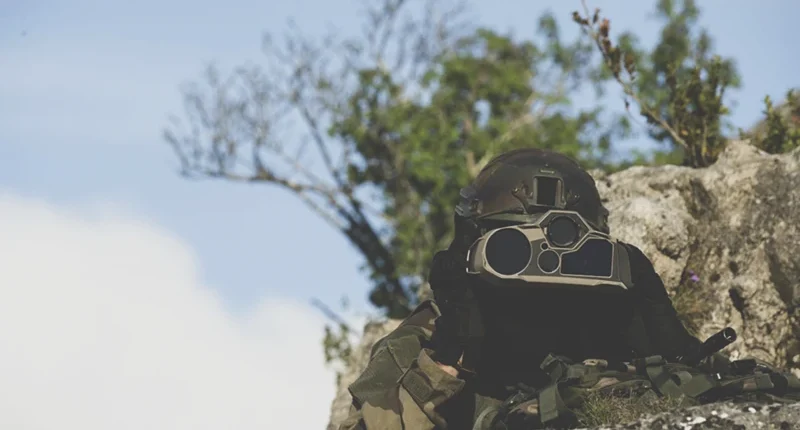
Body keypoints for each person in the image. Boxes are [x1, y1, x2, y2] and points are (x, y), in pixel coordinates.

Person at [338, 148, 710, 429]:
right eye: (513, 251)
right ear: (474, 246)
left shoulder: (614, 321)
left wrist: (674, 352)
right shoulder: (432, 337)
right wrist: (450, 360)